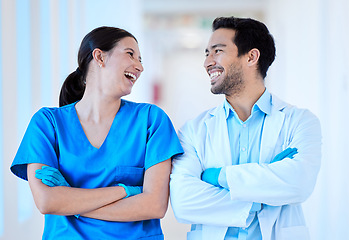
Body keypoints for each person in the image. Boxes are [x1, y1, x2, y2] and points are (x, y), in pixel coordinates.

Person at [10, 26, 183, 240]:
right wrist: (126, 191)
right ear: (99, 57)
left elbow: (154, 205)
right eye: (131, 54)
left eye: (141, 60)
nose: (139, 66)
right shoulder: (47, 123)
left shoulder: (151, 120)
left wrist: (70, 200)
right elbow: (47, 202)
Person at [170, 16, 321, 240]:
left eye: (217, 51)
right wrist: (267, 191)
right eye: (206, 53)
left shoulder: (300, 121)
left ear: (251, 57)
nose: (207, 62)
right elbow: (184, 202)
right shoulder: (193, 130)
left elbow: (300, 183)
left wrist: (217, 177)